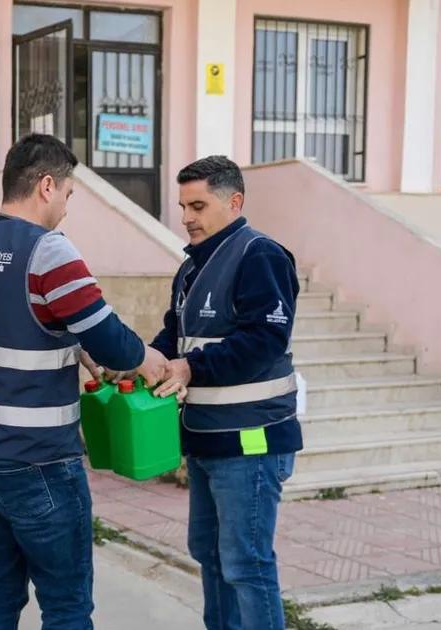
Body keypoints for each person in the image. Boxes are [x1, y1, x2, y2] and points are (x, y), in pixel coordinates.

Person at [0, 133, 169, 629]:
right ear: (47, 186)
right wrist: (146, 358)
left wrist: (68, 344)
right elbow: (110, 338)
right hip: (35, 462)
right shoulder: (49, 252)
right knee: (66, 605)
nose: (66, 209)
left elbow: (9, 322)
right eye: (68, 195)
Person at [149, 155, 303, 630]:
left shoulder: (260, 255)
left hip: (250, 441)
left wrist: (188, 367)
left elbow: (264, 340)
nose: (187, 217)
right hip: (207, 438)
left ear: (233, 201)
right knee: (210, 554)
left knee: (246, 564)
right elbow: (173, 337)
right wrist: (140, 363)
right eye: (182, 206)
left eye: (198, 205)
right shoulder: (192, 268)